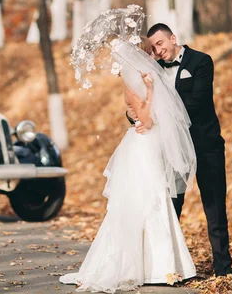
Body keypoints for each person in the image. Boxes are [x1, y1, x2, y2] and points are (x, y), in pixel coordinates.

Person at [60, 37, 198, 293]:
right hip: (141, 147)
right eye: (151, 52)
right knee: (148, 198)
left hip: (152, 144)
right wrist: (152, 92)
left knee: (156, 198)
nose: (155, 55)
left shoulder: (149, 79)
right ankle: (146, 267)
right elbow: (146, 118)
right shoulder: (133, 86)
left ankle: (163, 266)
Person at [129, 23, 232, 277]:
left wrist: (157, 114)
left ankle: (223, 267)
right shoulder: (153, 71)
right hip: (171, 149)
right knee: (171, 207)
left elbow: (197, 101)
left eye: (161, 44)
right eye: (153, 47)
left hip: (205, 145)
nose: (158, 50)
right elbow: (142, 103)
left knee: (214, 206)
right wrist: (136, 118)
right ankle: (170, 267)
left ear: (173, 38)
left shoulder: (201, 61)